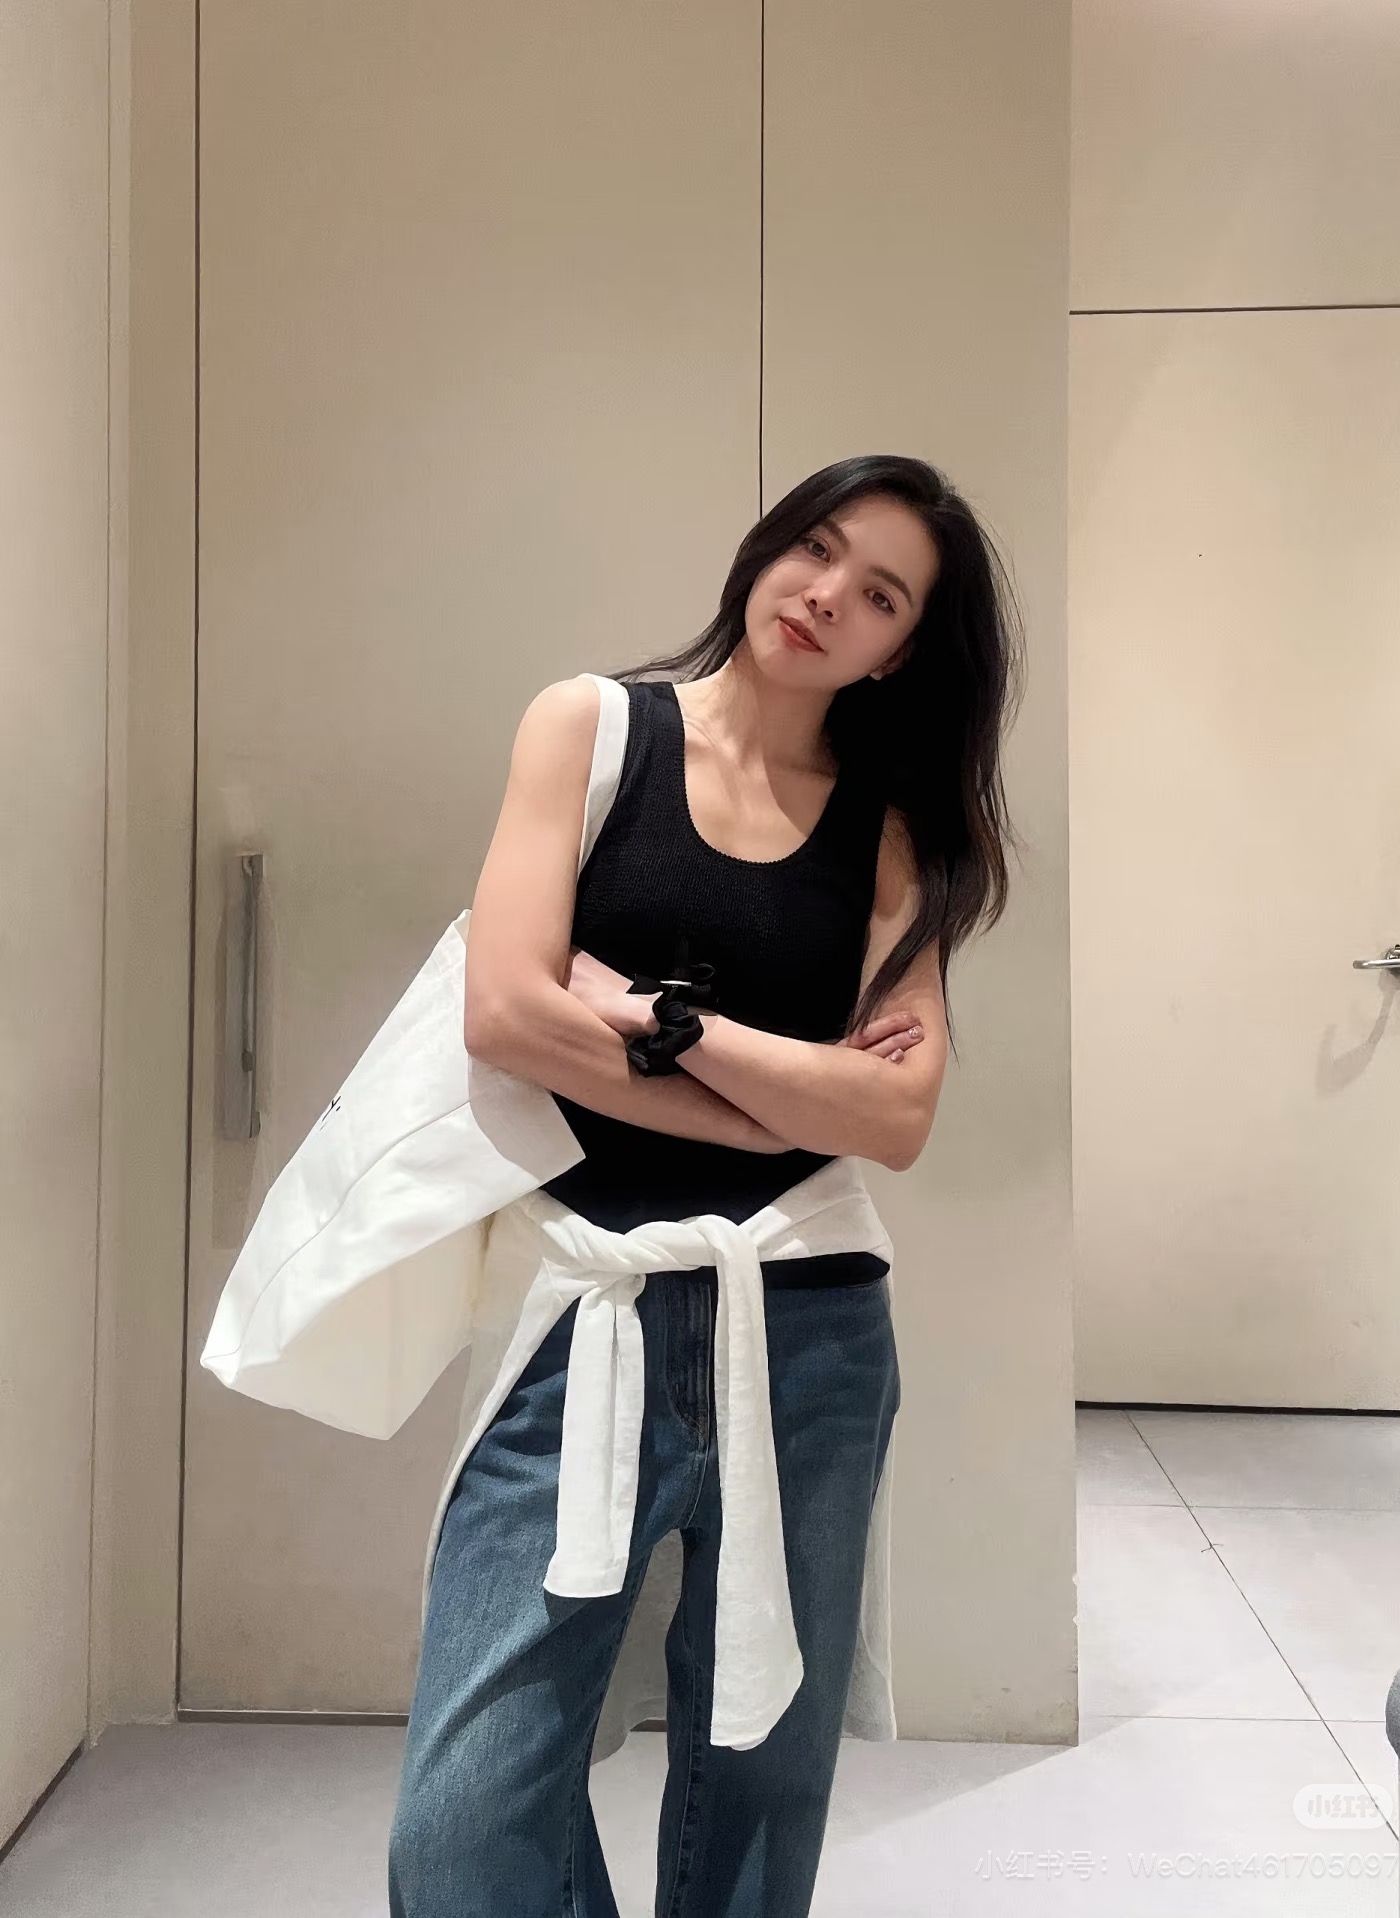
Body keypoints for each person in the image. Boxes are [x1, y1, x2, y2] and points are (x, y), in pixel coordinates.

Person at [387, 452, 1023, 1917]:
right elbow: (507, 1011)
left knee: (758, 1786)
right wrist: (776, 1101)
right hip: (584, 1308)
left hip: (808, 1329)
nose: (828, 595)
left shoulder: (890, 827)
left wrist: (660, 1021)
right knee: (468, 1813)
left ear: (899, 650)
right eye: (818, 547)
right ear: (767, 545)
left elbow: (896, 1115)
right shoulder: (590, 727)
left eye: (881, 595)